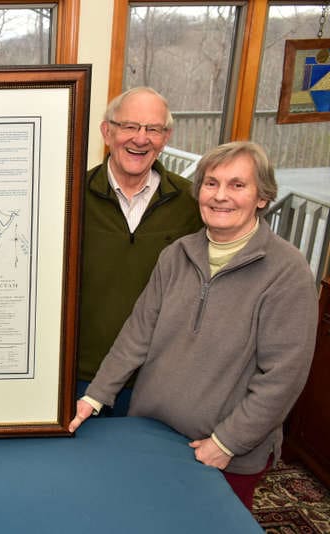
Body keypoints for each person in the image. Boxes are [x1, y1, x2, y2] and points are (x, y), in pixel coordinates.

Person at [68, 141, 318, 509]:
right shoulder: (176, 255)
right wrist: (95, 396)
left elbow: (283, 377)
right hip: (151, 436)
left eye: (237, 185)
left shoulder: (287, 272)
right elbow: (137, 334)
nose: (220, 196)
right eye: (211, 183)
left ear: (262, 197)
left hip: (223, 454)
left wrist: (227, 443)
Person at [77, 87, 203, 415]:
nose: (141, 139)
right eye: (130, 126)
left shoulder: (193, 203)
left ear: (166, 137)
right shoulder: (69, 196)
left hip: (158, 377)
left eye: (153, 129)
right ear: (107, 132)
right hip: (81, 375)